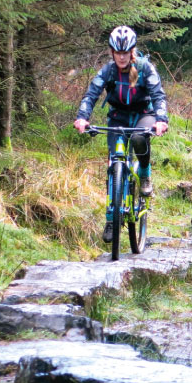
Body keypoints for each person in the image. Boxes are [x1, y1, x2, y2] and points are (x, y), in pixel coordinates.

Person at [73, 26, 169, 241]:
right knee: (113, 163)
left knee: (137, 138)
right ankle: (111, 218)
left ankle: (144, 174)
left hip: (144, 114)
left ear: (132, 51)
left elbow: (158, 95)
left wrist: (161, 120)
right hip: (118, 117)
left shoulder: (145, 68)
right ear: (112, 52)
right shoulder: (108, 71)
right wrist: (82, 117)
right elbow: (91, 95)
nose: (122, 57)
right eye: (118, 53)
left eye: (126, 53)